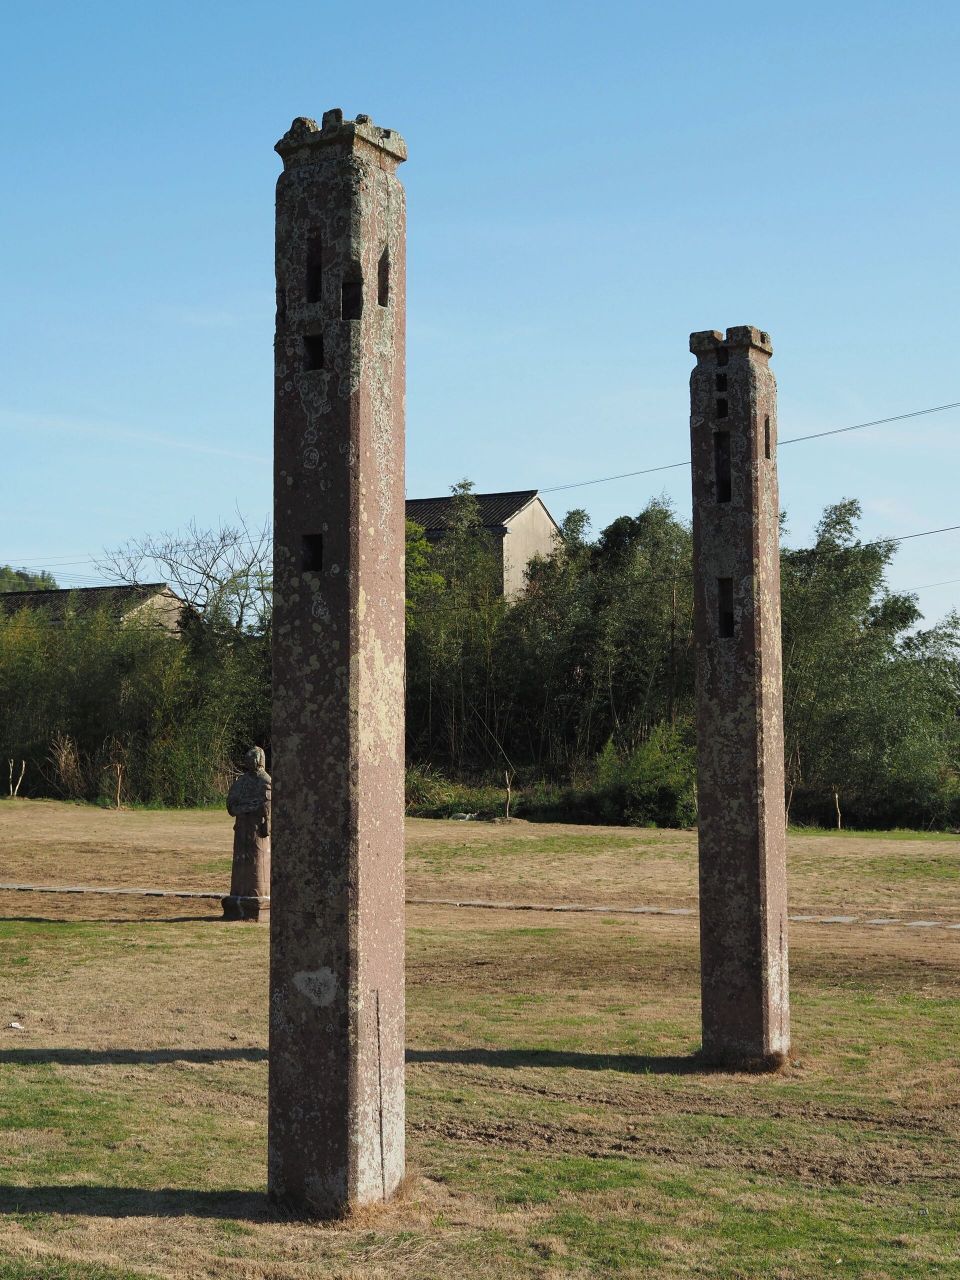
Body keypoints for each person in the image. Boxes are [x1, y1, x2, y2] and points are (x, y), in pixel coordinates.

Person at [222, 746, 271, 921]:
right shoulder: (241, 782)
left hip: (256, 830)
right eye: (247, 758)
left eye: (252, 758)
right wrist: (247, 807)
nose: (249, 762)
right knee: (241, 860)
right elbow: (231, 804)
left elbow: (266, 806)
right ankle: (239, 894)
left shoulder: (265, 780)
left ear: (259, 760)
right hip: (242, 828)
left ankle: (256, 897)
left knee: (257, 863)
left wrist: (250, 808)